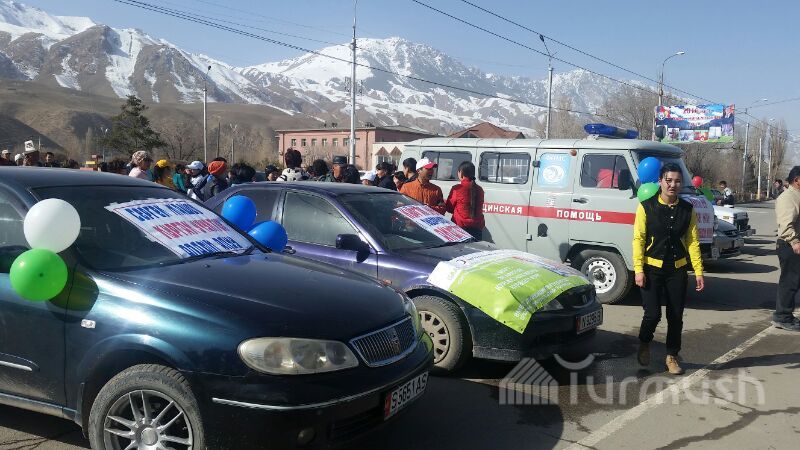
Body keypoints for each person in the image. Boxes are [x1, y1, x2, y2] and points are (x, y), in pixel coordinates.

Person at [633, 162, 704, 375]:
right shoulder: (646, 207)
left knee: (675, 316)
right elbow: (638, 239)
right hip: (651, 269)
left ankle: (672, 356)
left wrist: (698, 271)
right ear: (660, 181)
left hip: (677, 270)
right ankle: (644, 342)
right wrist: (638, 269)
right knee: (652, 315)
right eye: (669, 180)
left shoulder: (687, 210)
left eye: (677, 181)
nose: (673, 185)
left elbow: (692, 241)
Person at [772, 166, 800, 331]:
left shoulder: (796, 195)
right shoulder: (788, 197)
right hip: (789, 245)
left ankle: (785, 315)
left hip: (794, 244)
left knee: (795, 281)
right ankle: (782, 317)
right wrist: (795, 242)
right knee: (790, 282)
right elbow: (786, 224)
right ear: (797, 180)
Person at [446, 161, 485, 240]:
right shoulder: (480, 189)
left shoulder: (457, 188)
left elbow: (449, 208)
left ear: (461, 173)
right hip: (477, 228)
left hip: (460, 227)